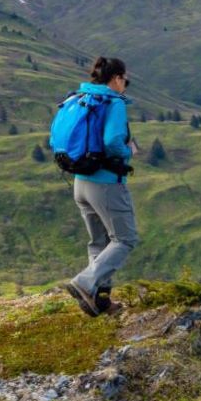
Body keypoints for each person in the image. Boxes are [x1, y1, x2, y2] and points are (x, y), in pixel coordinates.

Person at [62, 56, 138, 317]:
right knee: (125, 239)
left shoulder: (82, 97)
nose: (126, 84)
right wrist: (128, 151)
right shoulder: (113, 103)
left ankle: (100, 302)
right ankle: (84, 282)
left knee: (99, 242)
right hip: (106, 184)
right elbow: (113, 141)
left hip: (81, 182)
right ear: (116, 78)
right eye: (125, 79)